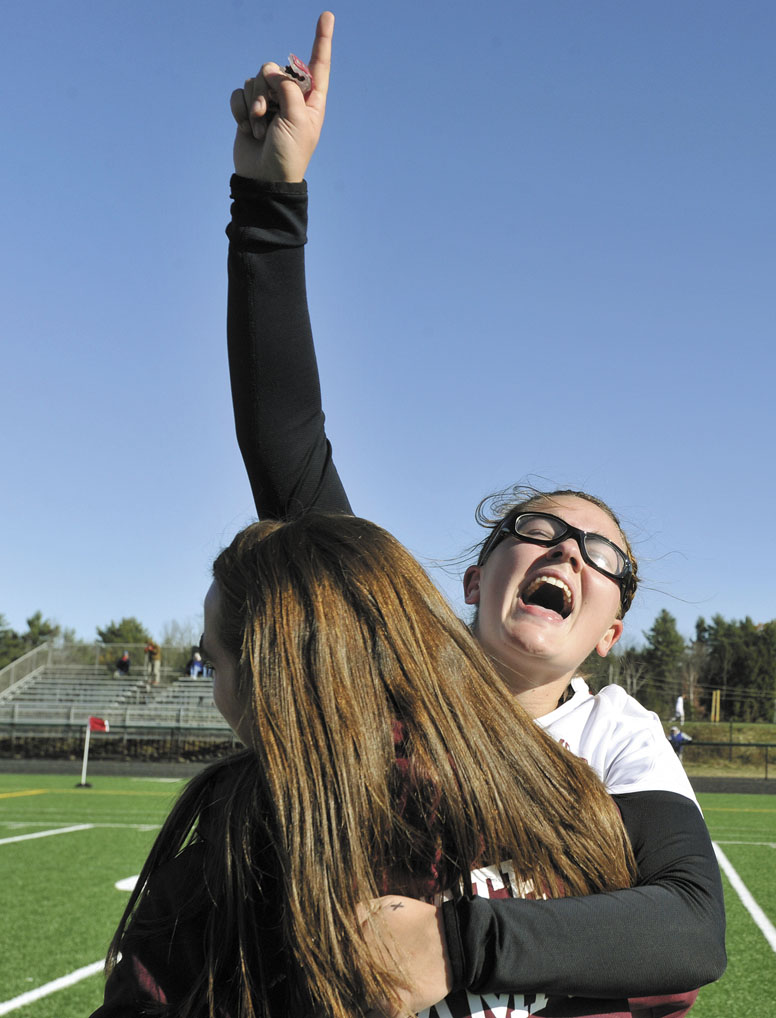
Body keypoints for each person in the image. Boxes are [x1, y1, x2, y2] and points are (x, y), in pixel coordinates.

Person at [225, 12, 725, 1014]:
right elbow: (288, 448)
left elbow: (686, 924)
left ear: (607, 630)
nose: (566, 551)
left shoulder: (616, 735)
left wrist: (454, 944)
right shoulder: (400, 660)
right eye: (536, 530)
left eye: (600, 555)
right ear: (472, 579)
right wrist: (269, 197)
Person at [92, 513, 638, 1018]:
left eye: (215, 662)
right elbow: (664, 986)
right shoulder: (568, 792)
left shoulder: (239, 852)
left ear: (268, 671)